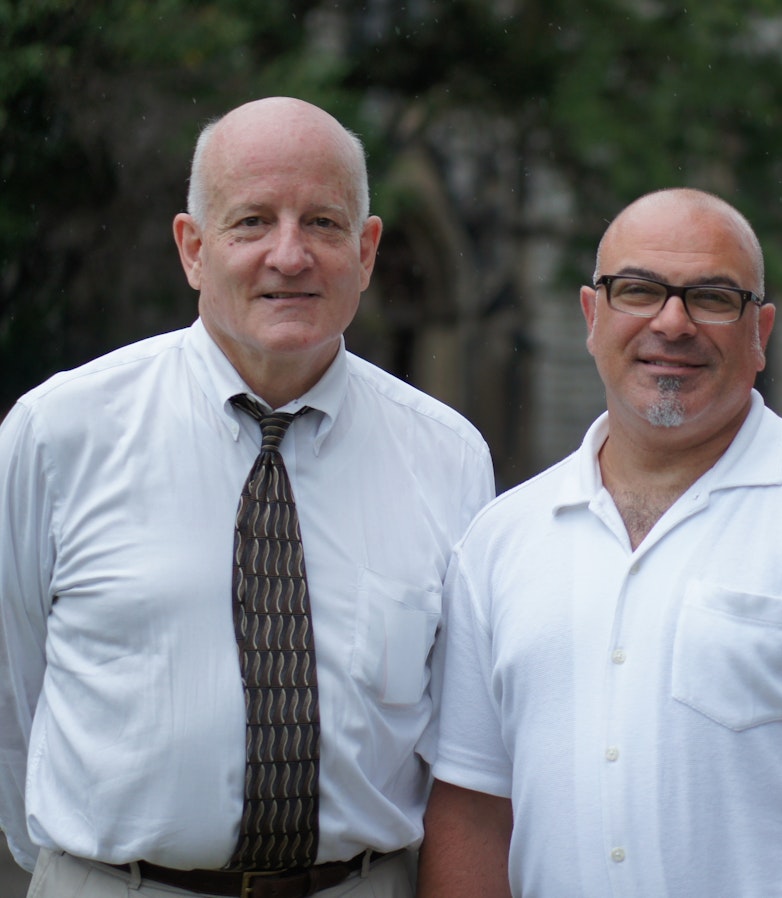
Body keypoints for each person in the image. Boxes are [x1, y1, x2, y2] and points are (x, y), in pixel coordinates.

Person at [417, 188, 782, 898]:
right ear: (591, 318)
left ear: (761, 332)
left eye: (714, 298)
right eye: (638, 291)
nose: (672, 322)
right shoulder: (500, 541)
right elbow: (474, 811)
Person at [0, 97, 495, 898]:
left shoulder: (449, 457)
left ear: (366, 251)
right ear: (193, 249)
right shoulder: (59, 433)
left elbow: (461, 730)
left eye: (324, 225)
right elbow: (10, 693)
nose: (290, 256)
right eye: (252, 222)